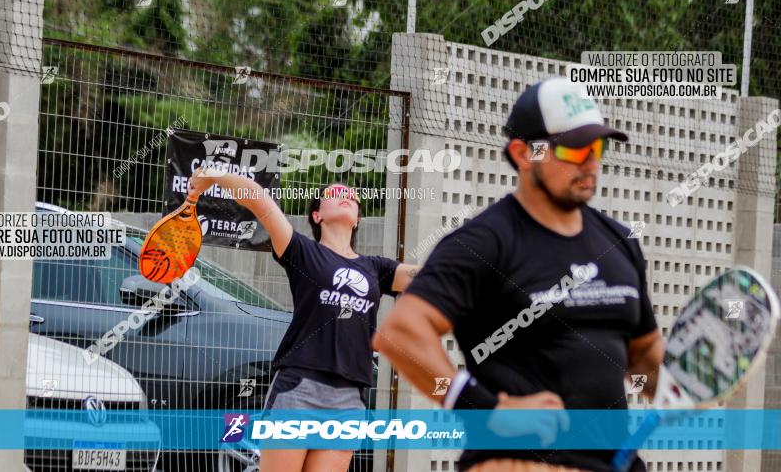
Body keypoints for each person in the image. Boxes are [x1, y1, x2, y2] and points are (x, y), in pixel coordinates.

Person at [374, 76, 664, 472]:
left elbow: (645, 359)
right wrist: (487, 411)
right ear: (523, 153)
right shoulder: (485, 242)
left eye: (596, 148)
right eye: (573, 149)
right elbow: (400, 334)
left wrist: (696, 376)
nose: (590, 162)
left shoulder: (620, 243)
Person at [188, 168, 420, 472]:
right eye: (334, 194)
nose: (346, 195)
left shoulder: (375, 268)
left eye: (351, 195)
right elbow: (259, 200)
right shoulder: (302, 251)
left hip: (349, 399)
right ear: (317, 215)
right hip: (299, 388)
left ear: (359, 219)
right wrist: (213, 177)